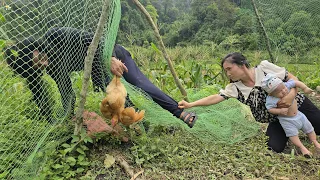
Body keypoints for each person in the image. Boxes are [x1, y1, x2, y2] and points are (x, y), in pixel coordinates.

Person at [5, 27, 197, 127]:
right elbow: (66, 93)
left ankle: (179, 112)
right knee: (114, 100)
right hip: (99, 70)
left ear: (34, 48)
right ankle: (140, 123)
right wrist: (68, 115)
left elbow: (97, 39)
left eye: (40, 59)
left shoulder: (55, 35)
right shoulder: (54, 68)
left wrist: (112, 58)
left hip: (113, 54)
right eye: (39, 67)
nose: (44, 64)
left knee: (139, 83)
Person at [178, 52, 320, 152]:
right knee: (273, 147)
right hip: (278, 119)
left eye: (229, 69)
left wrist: (291, 96)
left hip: (298, 104)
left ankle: (305, 128)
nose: (228, 74)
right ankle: (293, 132)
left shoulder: (264, 69)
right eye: (225, 71)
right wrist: (191, 104)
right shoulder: (235, 88)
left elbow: (291, 78)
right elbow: (215, 98)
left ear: (241, 64)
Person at [261, 73, 319, 157]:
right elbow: (269, 109)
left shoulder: (286, 85)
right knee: (293, 135)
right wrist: (279, 111)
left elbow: (296, 82)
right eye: (280, 92)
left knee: (310, 129)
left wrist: (305, 88)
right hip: (287, 121)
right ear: (271, 94)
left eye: (283, 88)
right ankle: (302, 148)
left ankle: (315, 142)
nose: (284, 91)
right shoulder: (271, 99)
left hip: (299, 115)